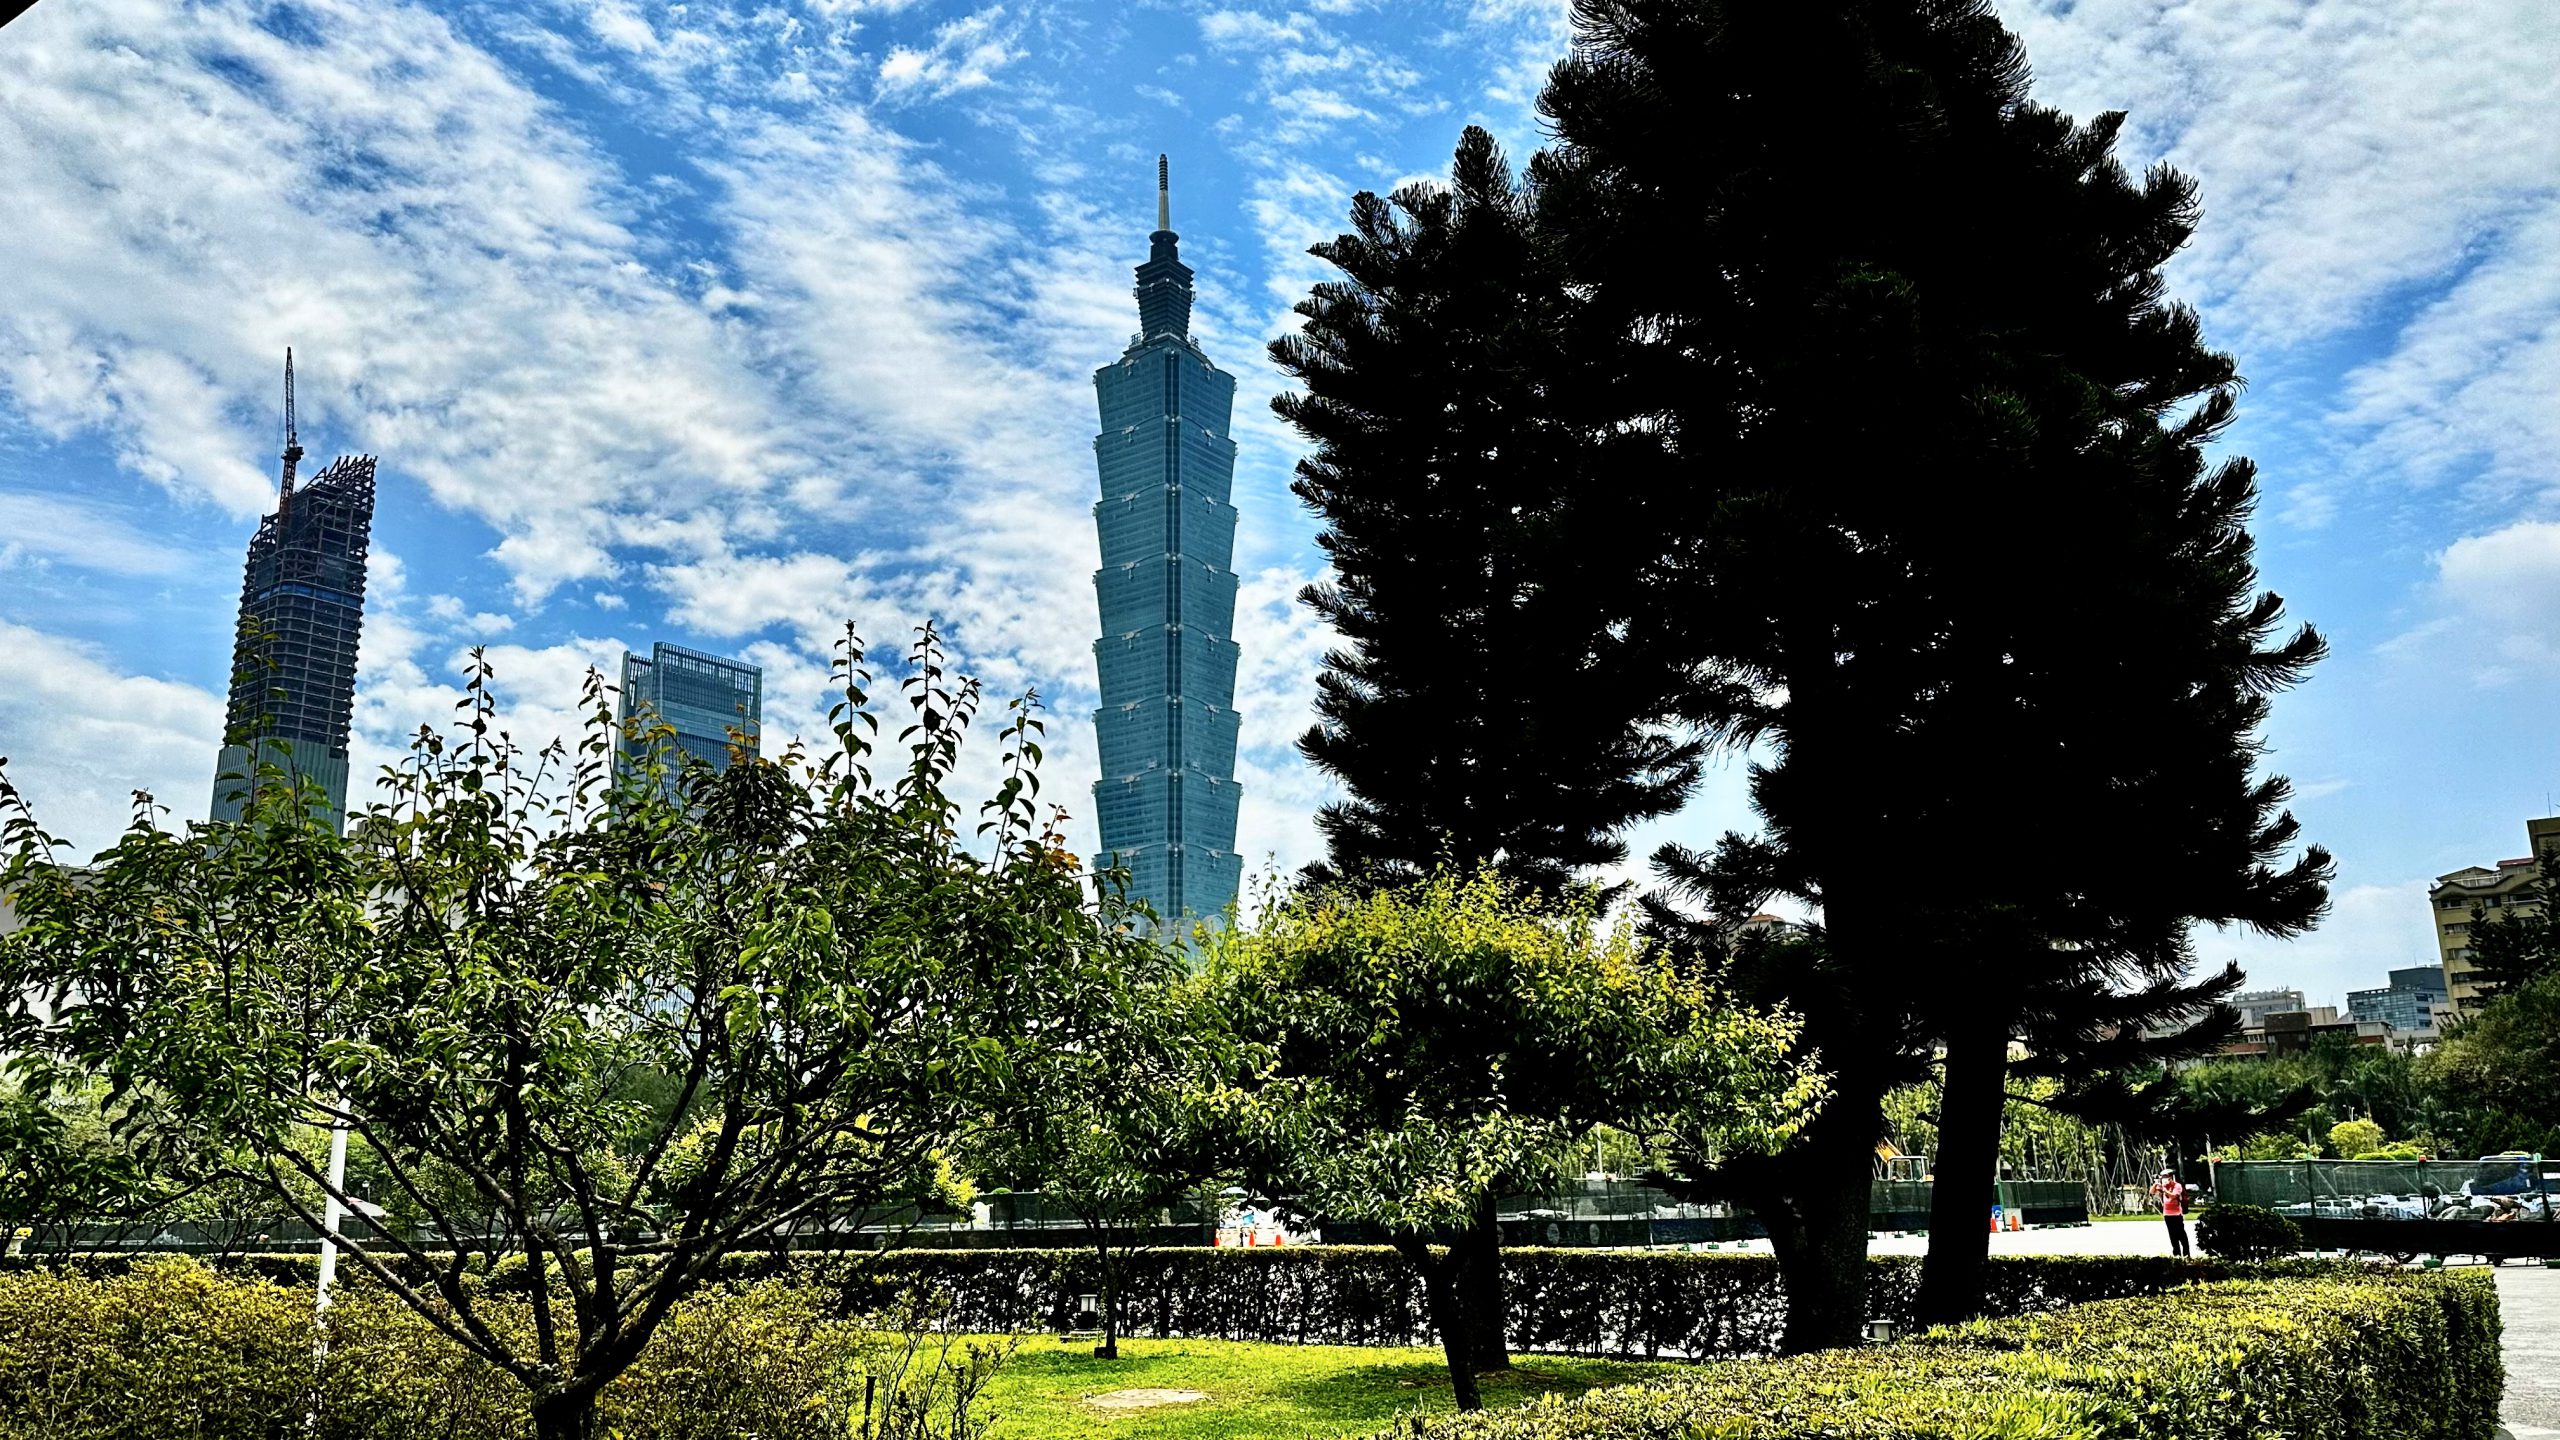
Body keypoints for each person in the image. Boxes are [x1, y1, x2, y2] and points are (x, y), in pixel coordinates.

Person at [2150, 1169, 2192, 1257]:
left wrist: (2164, 1189)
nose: (2164, 1179)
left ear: (2170, 1177)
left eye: (2166, 1177)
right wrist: (2156, 1184)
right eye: (2163, 1177)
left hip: (2177, 1214)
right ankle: (2176, 1254)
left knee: (2181, 1234)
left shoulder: (2177, 1186)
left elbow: (2173, 1196)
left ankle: (2186, 1254)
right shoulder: (2162, 1186)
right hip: (2167, 1214)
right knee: (2172, 1235)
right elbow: (2152, 1192)